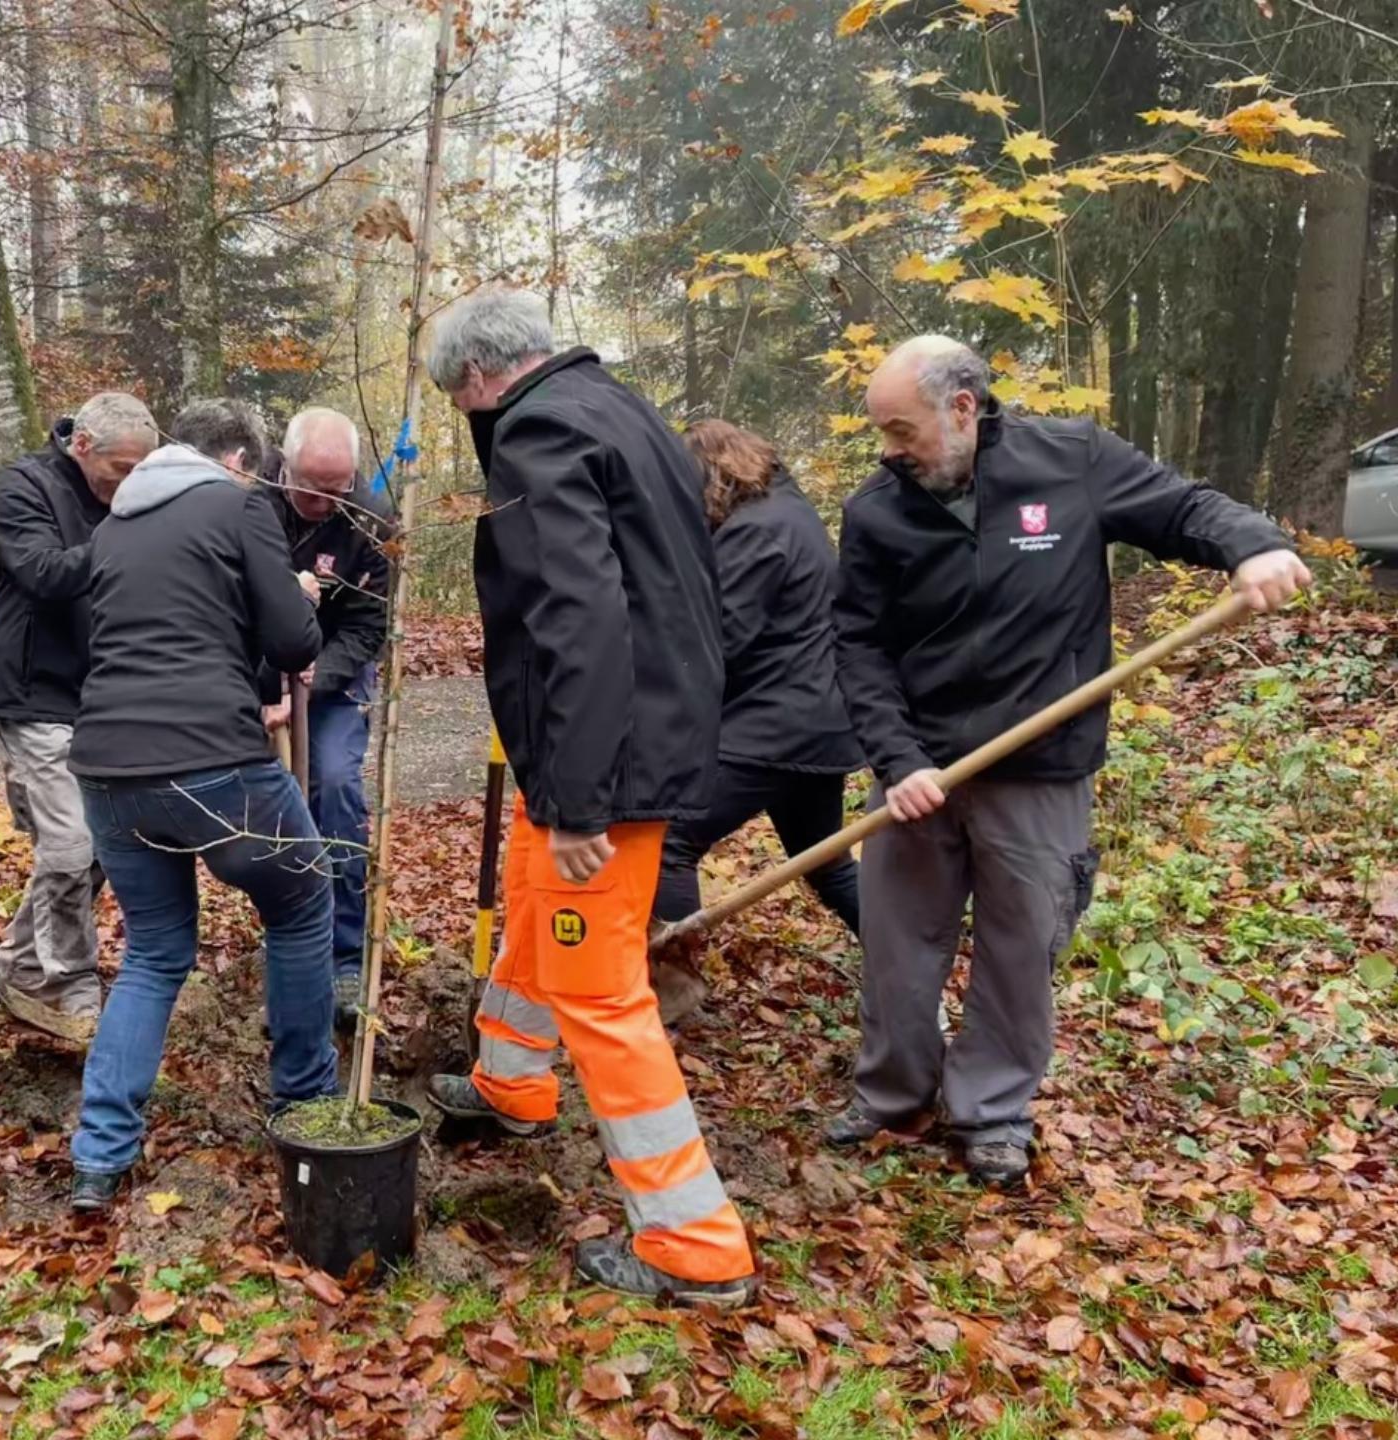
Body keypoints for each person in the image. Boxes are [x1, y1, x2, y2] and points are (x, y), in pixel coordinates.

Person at [829, 335, 1309, 1186]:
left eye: (902, 430)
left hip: (1040, 766)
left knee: (1022, 948)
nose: (889, 450)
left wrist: (1252, 543)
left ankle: (991, 1111)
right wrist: (897, 760)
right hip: (920, 771)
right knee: (898, 945)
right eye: (883, 433)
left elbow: (1183, 509)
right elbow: (858, 647)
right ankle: (893, 1093)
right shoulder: (876, 510)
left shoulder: (1070, 460)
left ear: (963, 408)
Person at [422, 288, 756, 1306]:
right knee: (533, 904)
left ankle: (695, 1247)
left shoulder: (540, 434)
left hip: (605, 764)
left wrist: (578, 801)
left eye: (459, 403)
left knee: (601, 990)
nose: (467, 418)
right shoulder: (621, 412)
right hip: (625, 740)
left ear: (477, 378)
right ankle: (510, 1080)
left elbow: (579, 617)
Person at [67, 398, 338, 1209]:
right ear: (240, 463)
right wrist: (301, 602)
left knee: (154, 953)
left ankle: (99, 1156)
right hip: (211, 763)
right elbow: (291, 642)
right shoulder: (237, 505)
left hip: (107, 770)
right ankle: (306, 1102)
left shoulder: (114, 524)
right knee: (301, 904)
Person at [0, 392, 158, 1029]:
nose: (130, 485)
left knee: (103, 842)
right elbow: (43, 573)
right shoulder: (25, 486)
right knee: (70, 842)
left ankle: (23, 965)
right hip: (34, 690)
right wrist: (129, 536)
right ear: (82, 446)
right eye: (122, 470)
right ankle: (68, 983)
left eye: (142, 472)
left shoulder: (125, 498)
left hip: (103, 691)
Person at [652, 419, 864, 936]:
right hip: (815, 722)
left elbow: (719, 641)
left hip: (777, 724)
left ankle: (673, 974)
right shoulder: (787, 513)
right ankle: (910, 972)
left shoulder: (757, 532)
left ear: (710, 475)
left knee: (667, 840)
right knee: (827, 865)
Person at [257, 408, 393, 1022]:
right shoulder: (249, 501)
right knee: (271, 810)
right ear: (284, 465)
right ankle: (288, 953)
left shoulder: (371, 521)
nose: (323, 503)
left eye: (337, 490)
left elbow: (367, 625)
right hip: (258, 672)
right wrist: (267, 684)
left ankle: (343, 957)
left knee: (334, 786)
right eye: (311, 488)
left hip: (333, 673)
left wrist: (317, 677)